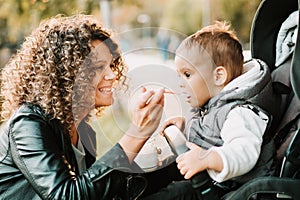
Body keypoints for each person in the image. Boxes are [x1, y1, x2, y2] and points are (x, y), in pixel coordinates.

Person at [0, 14, 167, 200]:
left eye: (111, 65)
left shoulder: (83, 132)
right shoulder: (28, 125)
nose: (112, 75)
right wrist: (137, 133)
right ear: (67, 76)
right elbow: (66, 196)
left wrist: (175, 161)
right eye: (97, 67)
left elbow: (96, 191)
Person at [143, 21, 278, 199]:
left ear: (218, 76)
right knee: (158, 170)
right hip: (211, 180)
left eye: (187, 75)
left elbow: (243, 153)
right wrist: (185, 128)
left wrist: (206, 158)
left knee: (177, 194)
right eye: (179, 75)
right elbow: (211, 132)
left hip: (231, 189)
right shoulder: (213, 104)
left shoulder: (242, 112)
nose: (180, 83)